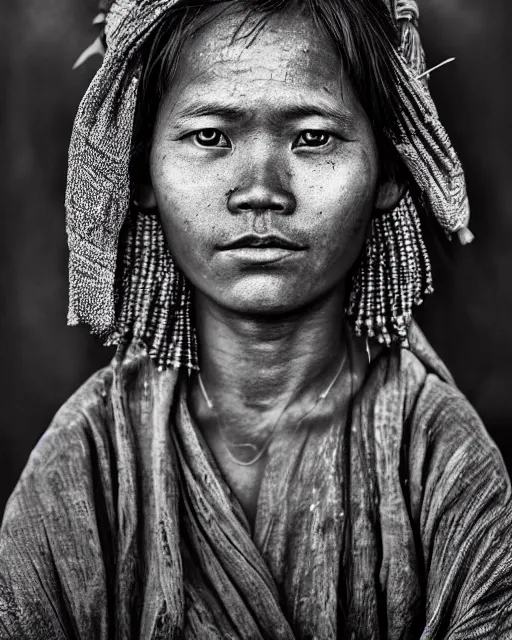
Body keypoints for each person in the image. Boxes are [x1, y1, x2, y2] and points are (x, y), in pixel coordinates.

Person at [1, 0, 511, 637]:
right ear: (141, 171)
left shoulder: (439, 459)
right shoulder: (87, 467)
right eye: (211, 136)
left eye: (314, 137)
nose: (261, 190)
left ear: (388, 169)